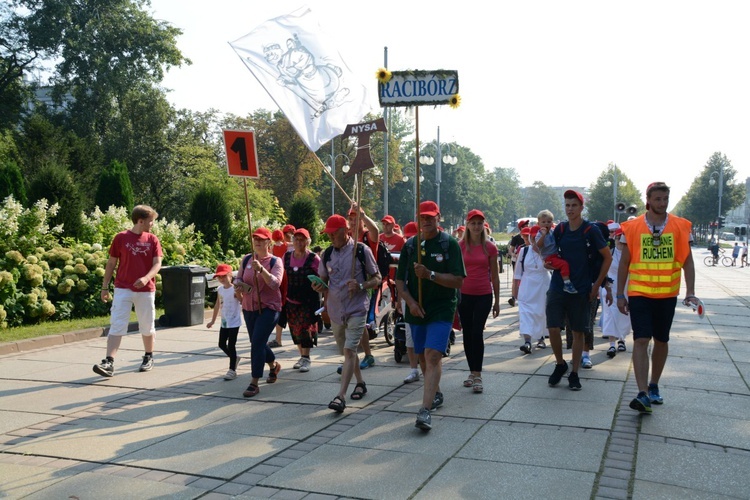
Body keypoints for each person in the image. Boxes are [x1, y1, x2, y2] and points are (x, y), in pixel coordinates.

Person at [617, 182, 699, 414]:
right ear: (649, 200)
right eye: (658, 199)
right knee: (641, 339)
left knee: (661, 340)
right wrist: (620, 294)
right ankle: (642, 393)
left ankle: (654, 385)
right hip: (639, 294)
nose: (662, 203)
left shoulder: (681, 226)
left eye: (665, 199)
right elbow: (624, 263)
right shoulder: (631, 228)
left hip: (667, 294)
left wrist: (690, 291)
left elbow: (688, 261)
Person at [396, 201, 465, 431]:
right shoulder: (410, 246)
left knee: (433, 355)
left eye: (430, 217)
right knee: (424, 359)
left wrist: (430, 275)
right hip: (417, 309)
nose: (426, 221)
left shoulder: (449, 244)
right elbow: (399, 282)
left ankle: (424, 411)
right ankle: (435, 393)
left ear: (438, 218)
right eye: (422, 217)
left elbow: (457, 280)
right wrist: (411, 303)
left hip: (442, 307)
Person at [314, 214, 381, 413]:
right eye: (328, 235)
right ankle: (360, 382)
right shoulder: (327, 254)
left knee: (350, 351)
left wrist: (361, 285)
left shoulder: (361, 250)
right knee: (347, 352)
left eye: (333, 234)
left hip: (357, 308)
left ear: (344, 231)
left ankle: (340, 396)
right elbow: (323, 280)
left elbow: (377, 277)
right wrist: (318, 286)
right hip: (335, 311)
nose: (330, 238)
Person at [546, 190, 611, 391]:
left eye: (574, 205)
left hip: (581, 289)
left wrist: (597, 285)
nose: (570, 209)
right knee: (553, 327)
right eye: (567, 205)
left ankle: (574, 373)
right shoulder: (561, 229)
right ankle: (560, 364)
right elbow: (549, 253)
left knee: (578, 332)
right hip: (558, 286)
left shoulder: (590, 230)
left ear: (581, 208)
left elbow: (607, 257)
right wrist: (548, 262)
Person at [93, 205, 163, 378]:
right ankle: (109, 362)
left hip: (146, 290)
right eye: (151, 221)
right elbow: (111, 264)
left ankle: (148, 356)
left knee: (147, 325)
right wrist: (105, 286)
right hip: (123, 288)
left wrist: (146, 278)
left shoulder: (153, 240)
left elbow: (157, 264)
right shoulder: (121, 238)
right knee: (117, 323)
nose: (152, 224)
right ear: (141, 221)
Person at [235, 227, 284, 398]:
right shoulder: (247, 259)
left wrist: (262, 270)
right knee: (259, 343)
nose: (257, 241)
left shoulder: (275, 262)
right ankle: (273, 366)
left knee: (256, 343)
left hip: (269, 308)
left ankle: (254, 382)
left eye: (261, 239)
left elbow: (275, 284)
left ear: (268, 242)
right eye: (255, 238)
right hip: (249, 308)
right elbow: (238, 277)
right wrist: (239, 285)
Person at [458, 209, 500, 393]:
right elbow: (455, 274)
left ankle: (478, 373)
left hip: (483, 294)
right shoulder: (460, 246)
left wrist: (498, 301)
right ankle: (471, 371)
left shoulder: (489, 247)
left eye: (479, 223)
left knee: (477, 332)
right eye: (473, 223)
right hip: (464, 295)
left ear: (484, 225)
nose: (476, 226)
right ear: (467, 225)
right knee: (467, 333)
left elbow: (495, 276)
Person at [347, 205, 380, 369]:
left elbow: (375, 231)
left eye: (356, 219)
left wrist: (364, 215)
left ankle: (362, 357)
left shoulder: (367, 236)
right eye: (351, 219)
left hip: (365, 285)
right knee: (353, 323)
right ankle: (357, 358)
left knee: (359, 321)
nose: (353, 222)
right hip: (348, 285)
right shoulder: (347, 237)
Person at [284, 228, 321, 373]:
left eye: (302, 239)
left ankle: (306, 358)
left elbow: (323, 277)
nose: (299, 242)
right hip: (291, 299)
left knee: (306, 329)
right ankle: (302, 356)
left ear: (308, 241)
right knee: (295, 330)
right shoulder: (286, 256)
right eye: (297, 239)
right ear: (293, 241)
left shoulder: (313, 258)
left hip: (308, 300)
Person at [514, 225, 552, 354]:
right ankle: (527, 342)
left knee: (541, 312)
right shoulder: (524, 251)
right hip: (527, 285)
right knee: (525, 313)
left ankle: (541, 339)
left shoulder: (548, 251)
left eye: (538, 237)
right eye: (533, 237)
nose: (535, 240)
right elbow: (517, 273)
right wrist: (515, 291)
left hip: (543, 285)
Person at [207, 263, 243, 380]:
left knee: (231, 345)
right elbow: (218, 304)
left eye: (224, 276)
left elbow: (242, 301)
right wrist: (212, 321)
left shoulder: (235, 288)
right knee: (221, 344)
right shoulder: (220, 289)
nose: (221, 279)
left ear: (230, 275)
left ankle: (232, 370)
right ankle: (235, 358)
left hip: (234, 322)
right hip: (224, 322)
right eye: (219, 277)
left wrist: (238, 293)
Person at [600, 227, 630, 357]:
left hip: (625, 288)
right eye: (618, 238)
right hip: (610, 288)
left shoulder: (630, 253)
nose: (620, 242)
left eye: (622, 239)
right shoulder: (609, 253)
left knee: (623, 315)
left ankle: (622, 340)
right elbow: (603, 270)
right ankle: (612, 344)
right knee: (610, 315)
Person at [534, 209, 577, 294]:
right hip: (548, 257)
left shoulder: (552, 232)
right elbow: (538, 245)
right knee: (564, 264)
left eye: (549, 221)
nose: (546, 223)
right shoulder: (539, 234)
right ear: (538, 224)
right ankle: (567, 283)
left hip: (556, 255)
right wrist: (543, 235)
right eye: (543, 222)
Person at [269, 224, 295, 348]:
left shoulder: (273, 248)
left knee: (281, 307)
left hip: (278, 278)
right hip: (288, 278)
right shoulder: (289, 247)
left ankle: (278, 338)